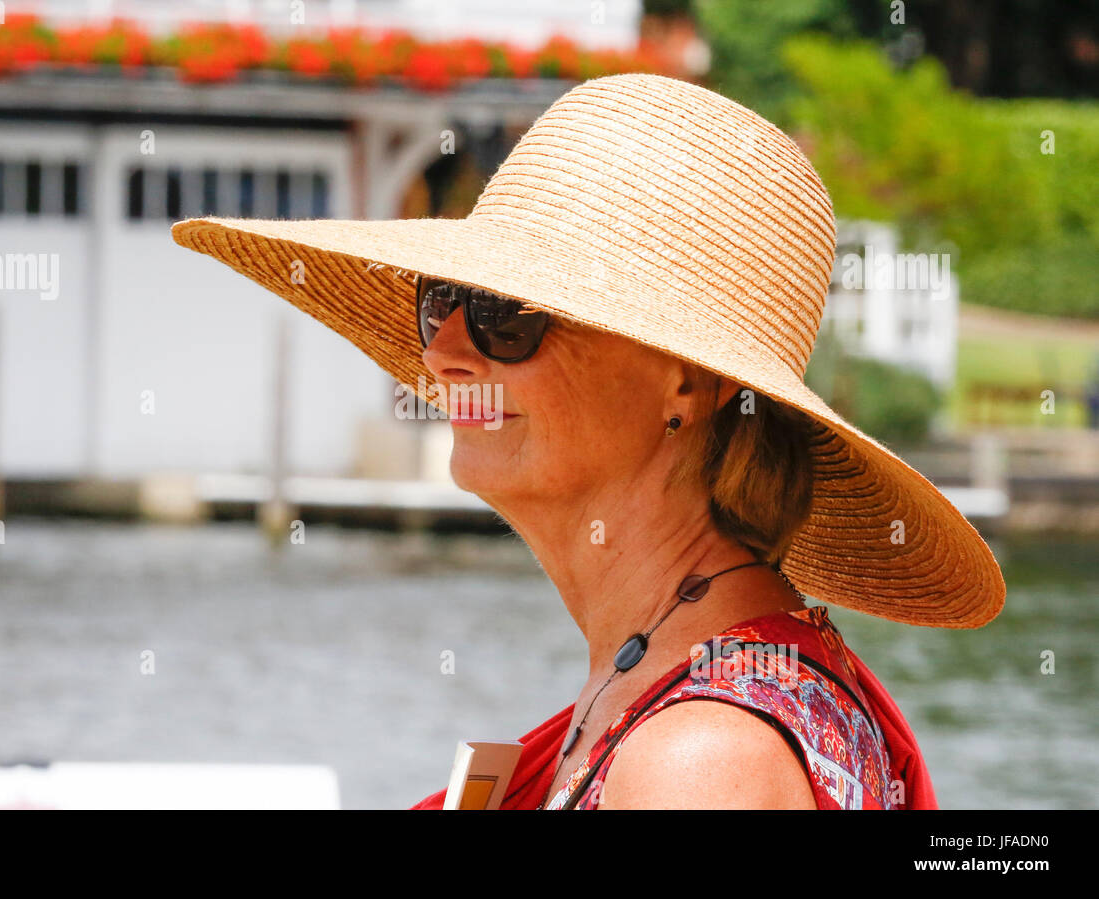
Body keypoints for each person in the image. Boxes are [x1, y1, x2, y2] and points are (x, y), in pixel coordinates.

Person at [172, 73, 1005, 809]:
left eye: (507, 316)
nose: (443, 353)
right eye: (443, 300)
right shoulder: (678, 687)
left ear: (681, 381)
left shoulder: (700, 763)